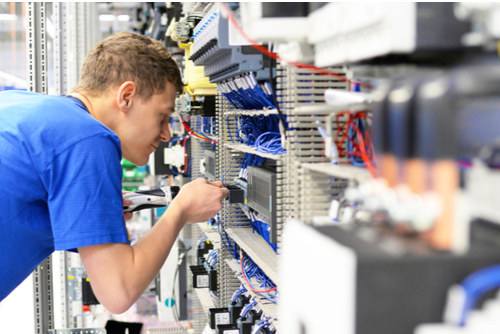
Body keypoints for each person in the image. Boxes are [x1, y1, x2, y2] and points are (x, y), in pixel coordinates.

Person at [0, 31, 227, 313]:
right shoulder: (86, 138)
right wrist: (181, 211)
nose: (167, 134)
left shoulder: (21, 103)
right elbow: (118, 291)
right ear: (127, 96)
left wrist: (97, 206)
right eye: (163, 116)